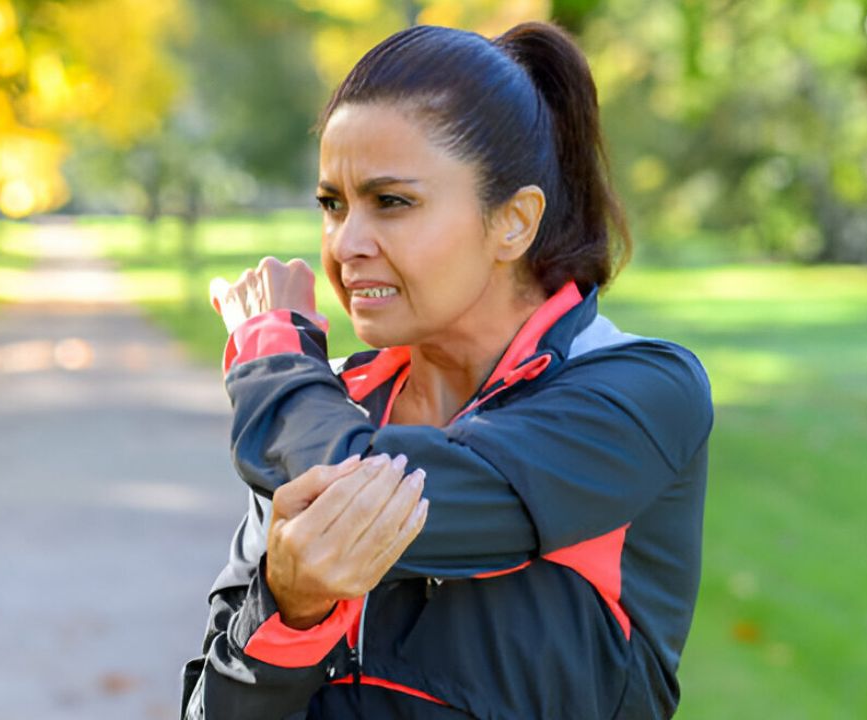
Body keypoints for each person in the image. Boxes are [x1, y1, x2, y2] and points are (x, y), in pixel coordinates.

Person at [182, 21, 712, 720]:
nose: (347, 244)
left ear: (514, 221)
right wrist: (293, 606)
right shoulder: (324, 403)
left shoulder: (639, 393)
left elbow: (376, 497)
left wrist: (274, 359)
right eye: (332, 205)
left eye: (392, 202)